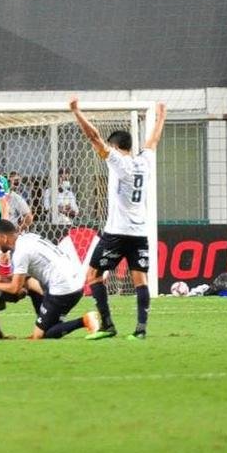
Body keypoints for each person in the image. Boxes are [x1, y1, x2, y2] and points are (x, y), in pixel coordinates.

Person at [72, 98, 167, 340]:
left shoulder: (118, 162)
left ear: (114, 147)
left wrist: (76, 111)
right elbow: (153, 140)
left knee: (92, 276)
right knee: (140, 280)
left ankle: (107, 326)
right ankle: (141, 329)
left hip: (116, 233)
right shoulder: (144, 161)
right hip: (139, 233)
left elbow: (94, 138)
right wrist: (161, 115)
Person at [0, 226, 100, 340]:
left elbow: (14, 288)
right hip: (75, 281)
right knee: (30, 287)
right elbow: (22, 279)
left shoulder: (20, 253)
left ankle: (85, 320)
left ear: (4, 238)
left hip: (63, 289)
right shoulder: (27, 238)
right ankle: (45, 319)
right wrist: (3, 279)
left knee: (40, 336)